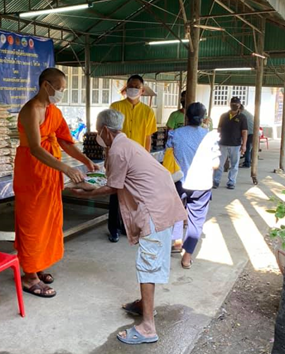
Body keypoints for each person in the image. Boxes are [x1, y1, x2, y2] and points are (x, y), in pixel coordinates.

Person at [72, 109, 186, 345]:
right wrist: (91, 186)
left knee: (148, 264)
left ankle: (147, 328)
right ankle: (145, 304)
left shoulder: (118, 150)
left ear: (104, 130)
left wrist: (83, 192)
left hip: (154, 208)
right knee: (151, 260)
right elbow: (115, 180)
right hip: (160, 202)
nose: (97, 134)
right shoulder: (125, 145)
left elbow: (113, 187)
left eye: (97, 129)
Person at [14, 68, 98, 298]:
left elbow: (65, 142)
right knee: (32, 222)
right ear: (45, 85)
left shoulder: (54, 111)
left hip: (50, 176)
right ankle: (29, 277)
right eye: (59, 89)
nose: (60, 93)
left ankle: (38, 265)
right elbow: (35, 149)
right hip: (31, 173)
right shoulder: (31, 110)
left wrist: (86, 161)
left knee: (48, 221)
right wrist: (67, 169)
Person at [166, 103, 220, 268]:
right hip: (201, 185)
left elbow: (168, 152)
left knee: (176, 211)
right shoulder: (209, 136)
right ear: (204, 118)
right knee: (196, 221)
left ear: (186, 117)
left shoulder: (175, 134)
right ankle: (187, 258)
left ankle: (176, 242)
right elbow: (216, 164)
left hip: (179, 181)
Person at [106, 74, 158, 243]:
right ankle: (113, 228)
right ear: (125, 88)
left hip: (137, 160)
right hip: (118, 157)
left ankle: (129, 227)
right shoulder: (115, 107)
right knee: (115, 193)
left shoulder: (148, 111)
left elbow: (148, 137)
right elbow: (107, 134)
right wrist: (108, 156)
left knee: (135, 196)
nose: (133, 89)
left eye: (136, 86)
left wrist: (147, 159)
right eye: (130, 86)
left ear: (142, 90)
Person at [213, 97, 248, 190]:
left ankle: (231, 182)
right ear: (230, 104)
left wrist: (244, 145)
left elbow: (244, 132)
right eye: (233, 104)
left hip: (235, 145)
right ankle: (216, 181)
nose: (235, 106)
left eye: (236, 104)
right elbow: (219, 129)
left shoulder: (242, 117)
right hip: (222, 144)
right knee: (219, 164)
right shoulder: (223, 116)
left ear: (239, 105)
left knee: (234, 165)